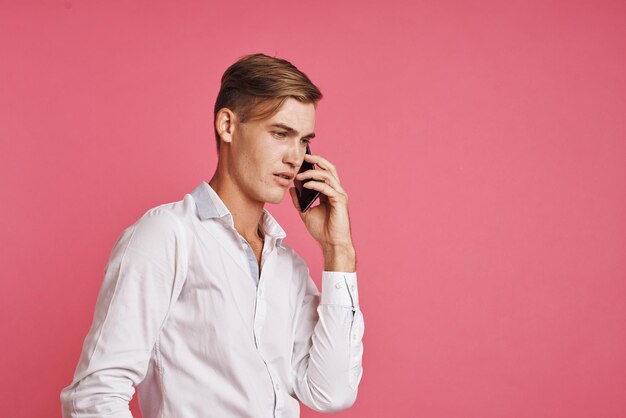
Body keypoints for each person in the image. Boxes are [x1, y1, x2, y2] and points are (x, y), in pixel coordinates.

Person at [60, 52, 364, 418]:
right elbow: (96, 394)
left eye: (304, 141)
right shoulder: (168, 235)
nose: (295, 157)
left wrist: (338, 251)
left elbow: (331, 392)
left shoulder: (288, 267)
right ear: (227, 126)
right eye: (280, 133)